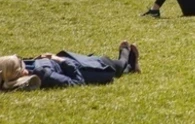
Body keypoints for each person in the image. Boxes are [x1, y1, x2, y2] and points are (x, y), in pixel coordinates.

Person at [0, 42, 139, 90]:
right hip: (87, 70)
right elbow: (77, 82)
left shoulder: (19, 72)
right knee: (116, 66)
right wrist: (59, 60)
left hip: (78, 60)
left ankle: (132, 65)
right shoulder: (44, 74)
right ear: (21, 72)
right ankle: (126, 52)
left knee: (122, 68)